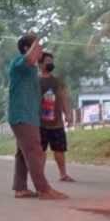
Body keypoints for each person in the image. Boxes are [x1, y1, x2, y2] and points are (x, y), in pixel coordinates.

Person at [8, 33, 68, 200]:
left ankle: (20, 188)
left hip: (29, 117)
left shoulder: (31, 70)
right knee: (35, 151)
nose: (40, 50)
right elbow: (30, 57)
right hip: (22, 116)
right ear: (27, 48)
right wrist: (36, 39)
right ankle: (44, 190)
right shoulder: (18, 64)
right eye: (37, 47)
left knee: (22, 152)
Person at [38, 52, 75, 182]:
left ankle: (63, 174)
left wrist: (68, 115)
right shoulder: (35, 80)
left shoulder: (57, 81)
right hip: (40, 122)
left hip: (57, 121)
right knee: (41, 151)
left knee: (59, 149)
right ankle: (40, 177)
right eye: (47, 61)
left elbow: (63, 98)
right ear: (41, 64)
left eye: (51, 61)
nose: (50, 64)